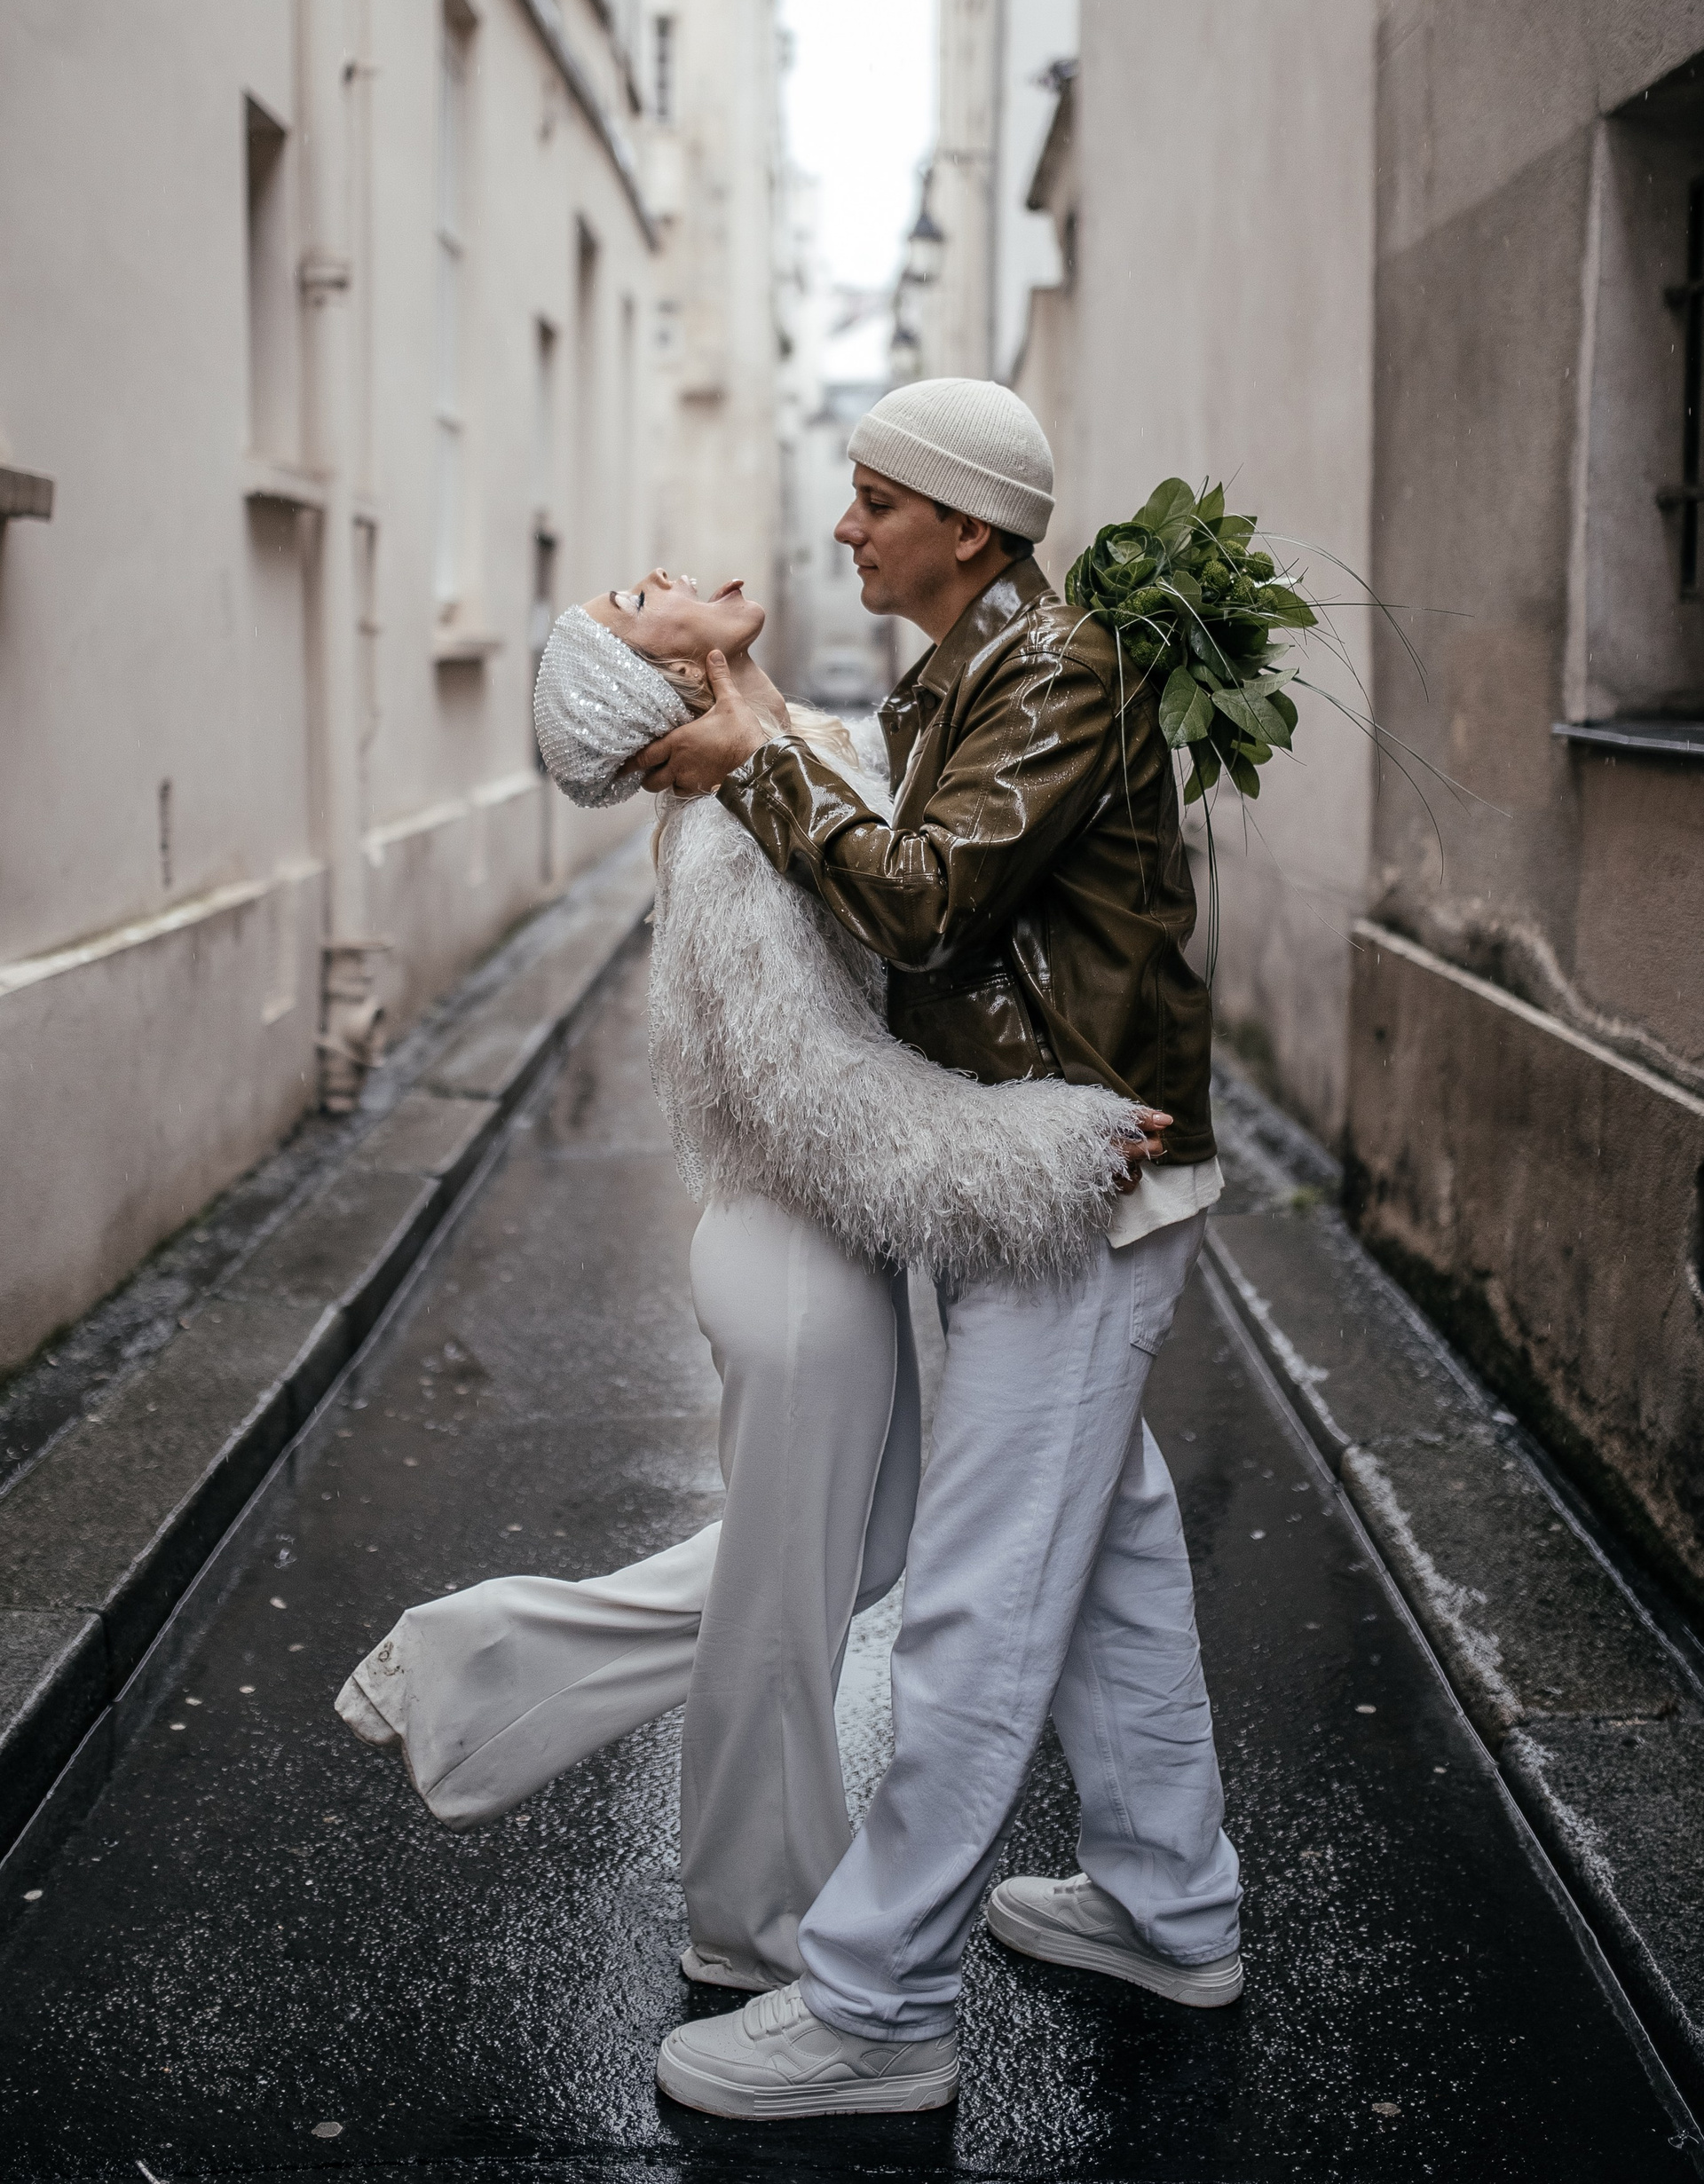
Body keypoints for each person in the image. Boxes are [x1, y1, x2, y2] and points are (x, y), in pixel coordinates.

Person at [335, 563, 1152, 1999]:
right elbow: (830, 1103)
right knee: (785, 1624)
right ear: (655, 682)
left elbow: (919, 850)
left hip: (820, 1255)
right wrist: (1056, 1139)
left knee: (849, 1563)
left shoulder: (780, 752)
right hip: (793, 1267)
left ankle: (476, 1668)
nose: (661, 576)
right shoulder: (725, 842)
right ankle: (758, 1926)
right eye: (629, 601)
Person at [637, 380, 1243, 2121]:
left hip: (1075, 1189)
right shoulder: (971, 670)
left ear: (968, 528)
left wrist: (755, 765)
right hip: (1031, 1172)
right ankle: (1168, 1903)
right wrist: (756, 729)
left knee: (983, 1596)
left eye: (877, 498)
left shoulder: (1055, 671)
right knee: (1108, 1554)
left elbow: (921, 898)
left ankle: (879, 2003)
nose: (846, 525)